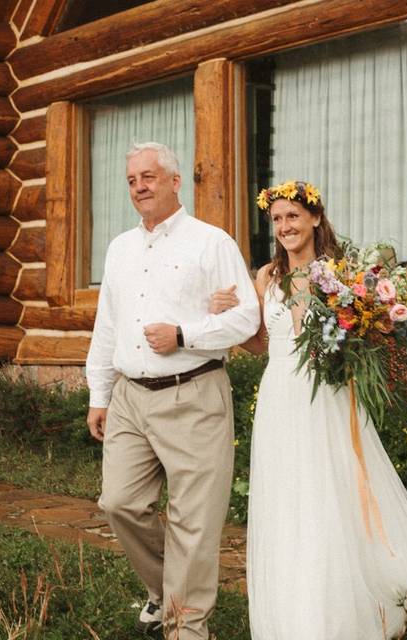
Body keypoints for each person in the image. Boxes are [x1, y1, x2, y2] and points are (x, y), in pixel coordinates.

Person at [211, 181, 407, 639]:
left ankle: (360, 603)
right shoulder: (265, 279)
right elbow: (260, 343)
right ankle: (299, 607)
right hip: (279, 397)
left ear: (315, 218)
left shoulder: (343, 273)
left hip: (327, 397)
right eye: (276, 220)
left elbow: (366, 337)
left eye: (292, 216)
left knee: (333, 490)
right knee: (288, 496)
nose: (284, 226)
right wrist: (225, 317)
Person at [85, 142, 260, 640]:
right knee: (119, 502)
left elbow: (247, 316)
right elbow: (108, 324)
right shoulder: (120, 247)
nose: (140, 187)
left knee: (194, 522)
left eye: (149, 177)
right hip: (129, 398)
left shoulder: (211, 242)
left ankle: (186, 627)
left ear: (175, 181)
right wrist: (100, 393)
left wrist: (185, 334)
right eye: (132, 179)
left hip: (194, 395)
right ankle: (165, 590)